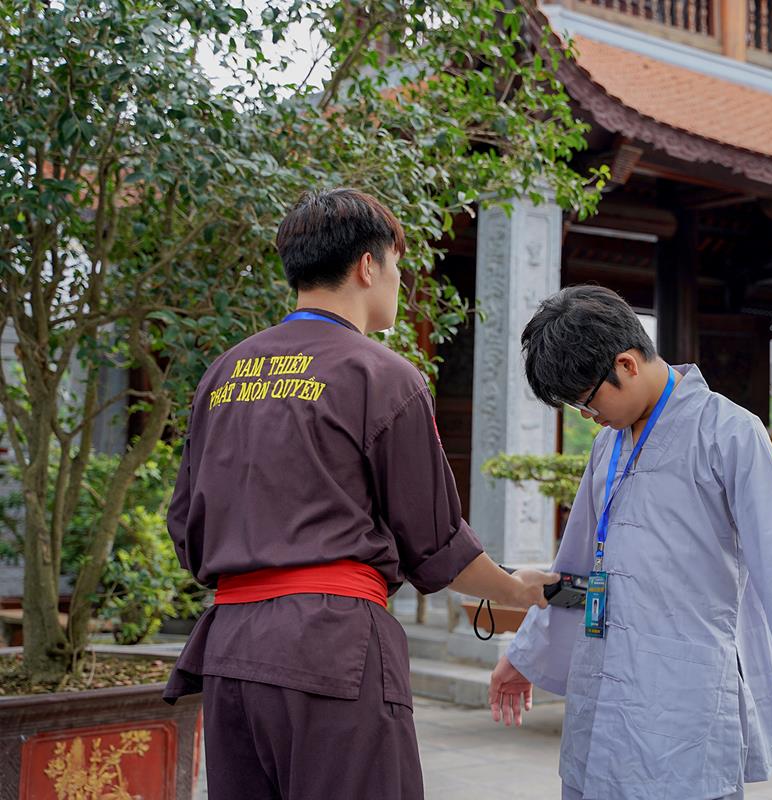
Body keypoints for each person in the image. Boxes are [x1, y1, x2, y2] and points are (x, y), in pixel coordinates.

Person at [163, 188, 555, 799]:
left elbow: (187, 525)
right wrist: (515, 590)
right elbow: (434, 544)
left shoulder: (224, 374)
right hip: (331, 648)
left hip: (231, 646)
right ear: (368, 266)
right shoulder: (383, 376)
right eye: (397, 265)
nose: (399, 281)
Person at [487, 286, 772, 800]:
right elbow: (577, 565)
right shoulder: (607, 445)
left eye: (588, 401)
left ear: (626, 364)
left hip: (683, 706)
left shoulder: (730, 433)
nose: (588, 416)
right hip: (601, 692)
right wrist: (527, 652)